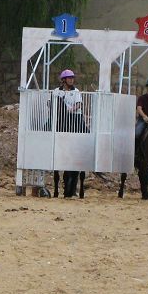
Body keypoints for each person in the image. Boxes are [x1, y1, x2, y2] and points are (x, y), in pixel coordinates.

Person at [52, 69, 86, 198]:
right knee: (47, 125)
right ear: (64, 80)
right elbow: (51, 103)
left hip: (74, 117)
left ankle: (86, 145)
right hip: (61, 117)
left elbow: (79, 105)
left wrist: (72, 109)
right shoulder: (57, 91)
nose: (72, 80)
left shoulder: (76, 92)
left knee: (84, 130)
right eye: (69, 78)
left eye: (72, 78)